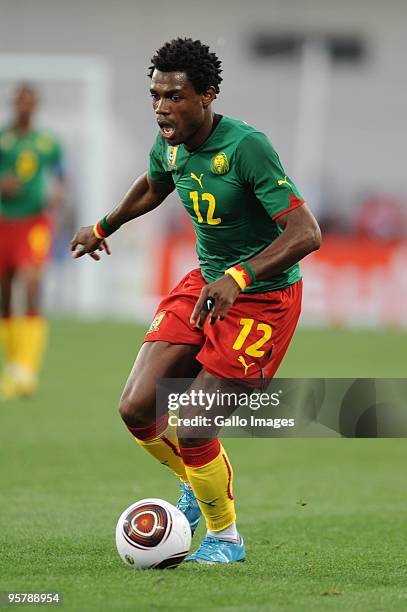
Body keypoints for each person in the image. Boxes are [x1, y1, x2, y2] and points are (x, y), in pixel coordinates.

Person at [71, 38, 321, 564]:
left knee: (194, 421)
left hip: (263, 300)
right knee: (137, 407)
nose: (163, 106)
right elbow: (154, 183)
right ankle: (197, 482)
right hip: (205, 284)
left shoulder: (248, 146)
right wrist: (103, 225)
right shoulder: (171, 141)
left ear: (207, 96)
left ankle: (225, 538)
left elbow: (305, 232)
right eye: (156, 95)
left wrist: (240, 274)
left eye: (175, 96)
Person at [0, 84, 65, 398]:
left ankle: (27, 369)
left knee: (31, 283)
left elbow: (61, 175)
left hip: (34, 222)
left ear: (36, 105)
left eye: (29, 101)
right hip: (3, 222)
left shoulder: (48, 143)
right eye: (20, 101)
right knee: (4, 294)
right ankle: (12, 367)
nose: (24, 106)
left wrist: (58, 192)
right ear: (14, 104)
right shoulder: (3, 139)